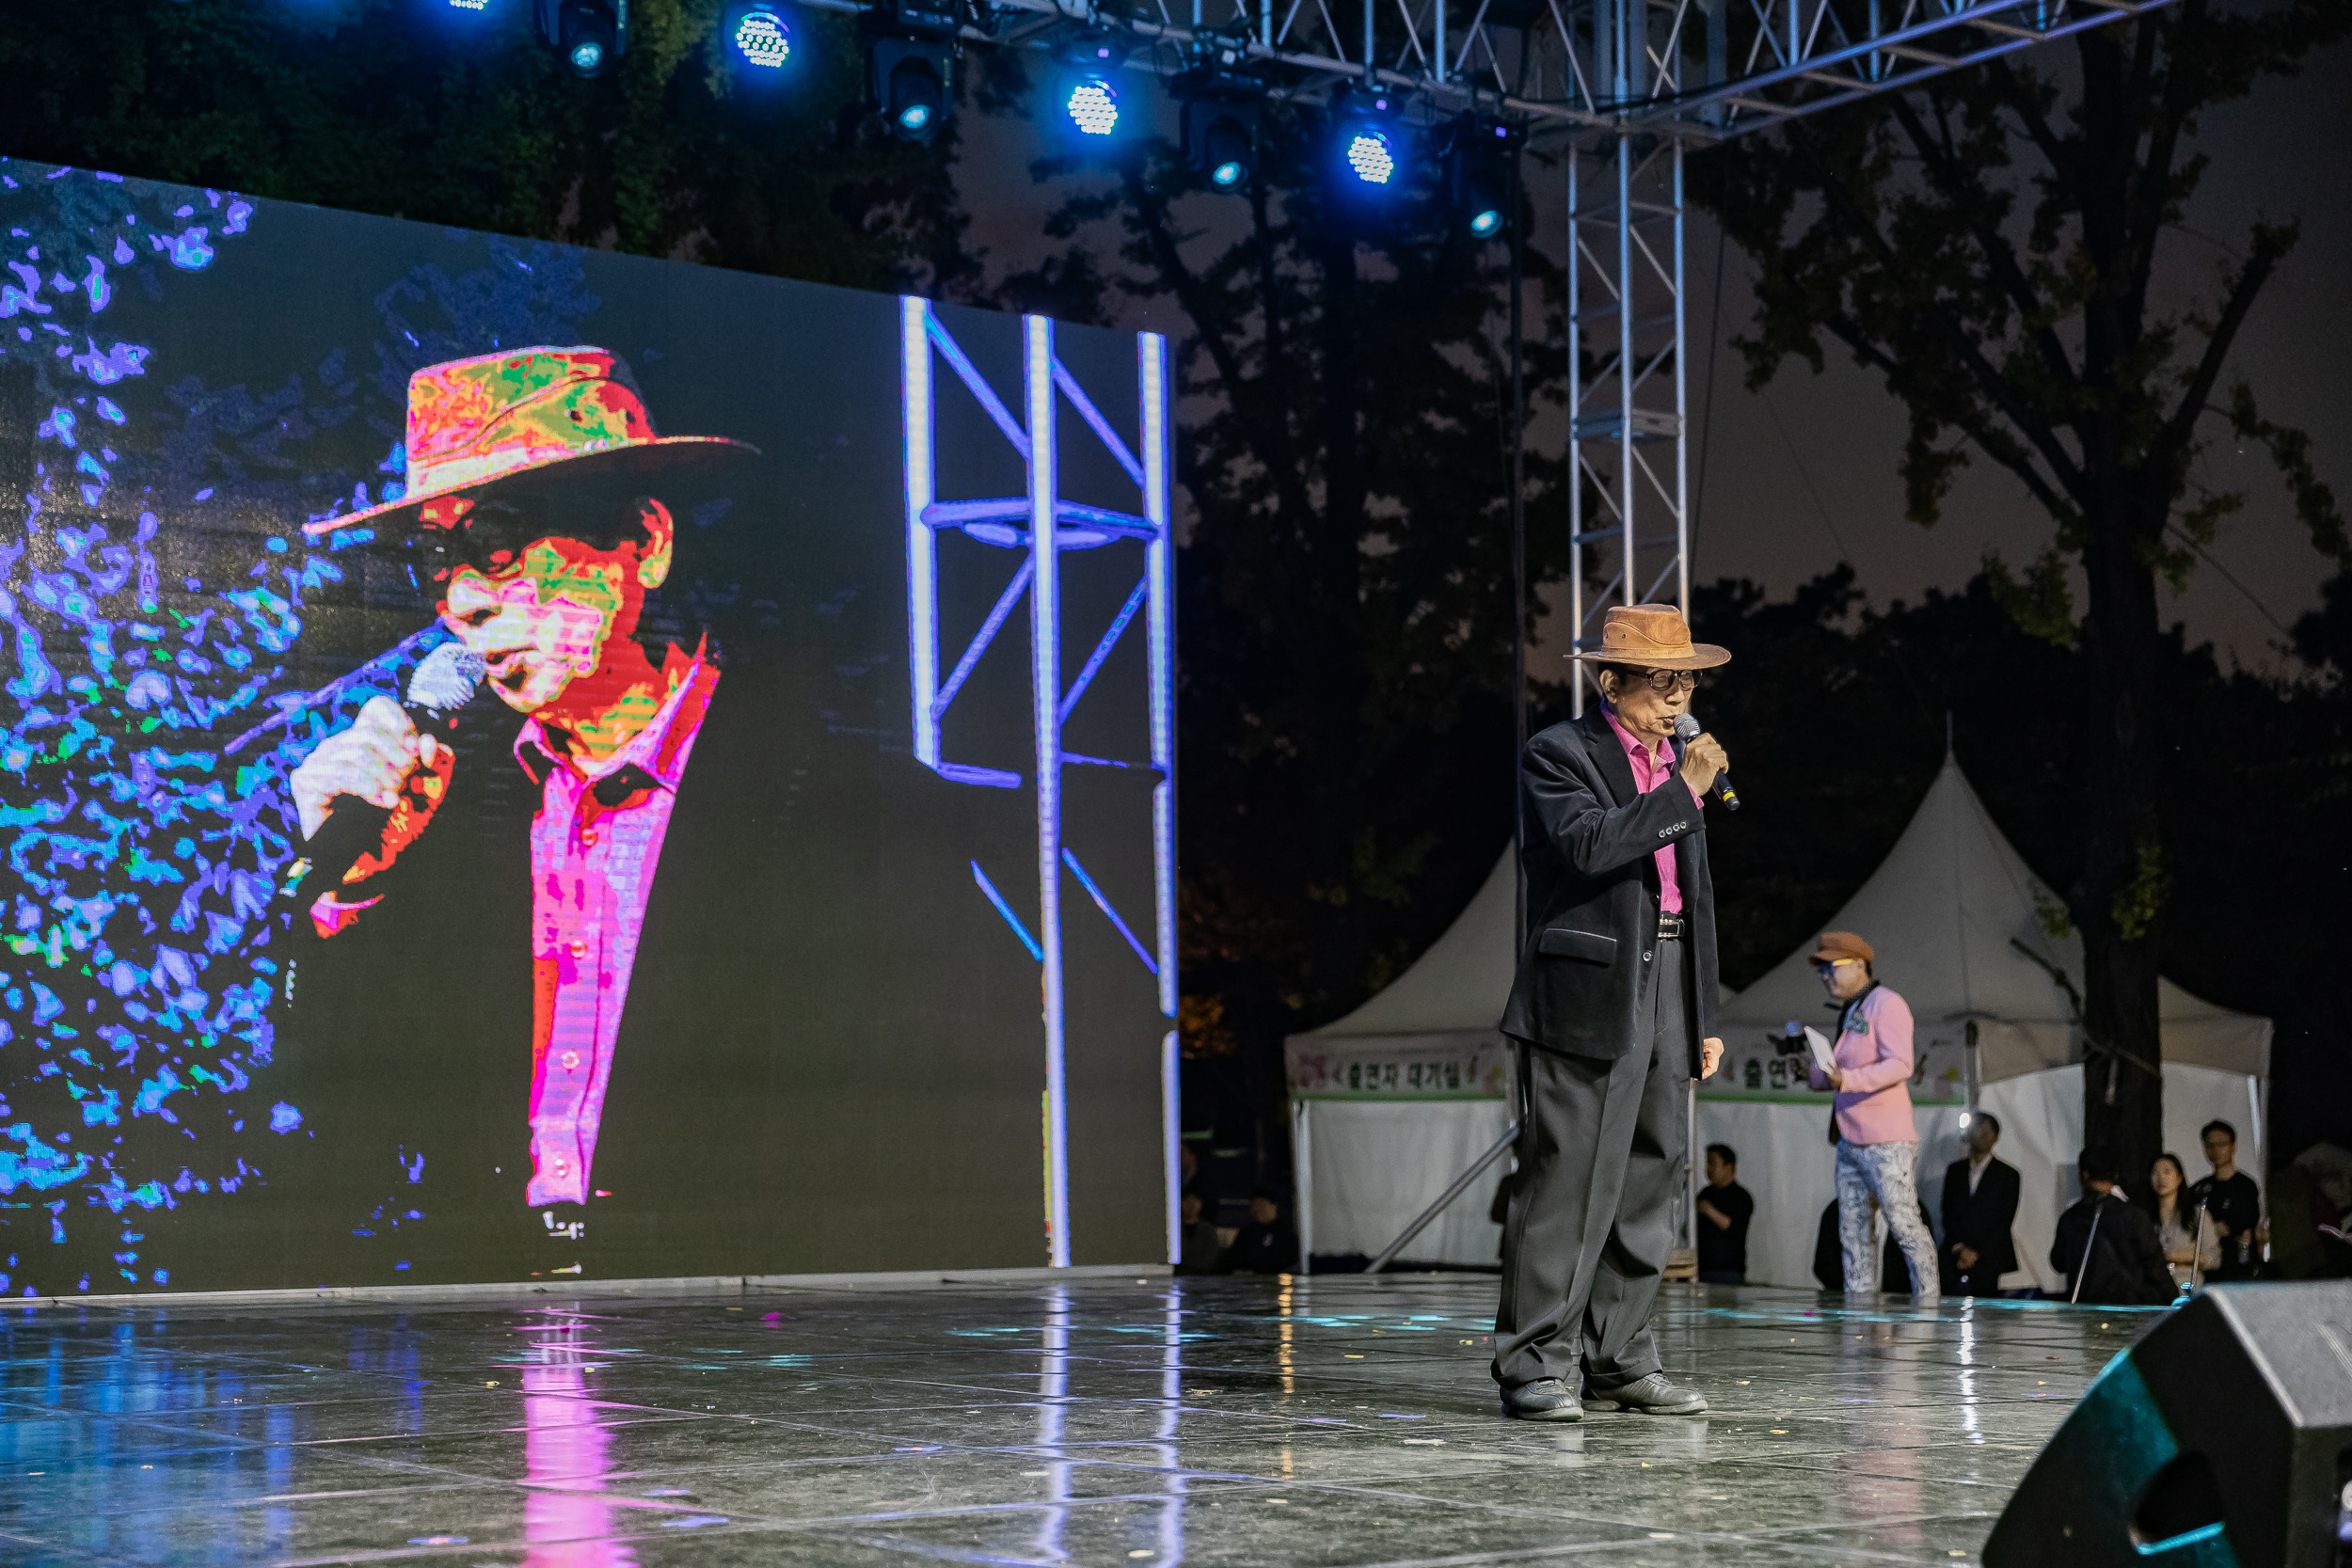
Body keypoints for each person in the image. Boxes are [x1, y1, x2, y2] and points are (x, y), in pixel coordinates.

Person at [264, 345, 1004, 1285]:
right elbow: (345, 1109)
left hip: (744, 1335)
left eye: (499, 538)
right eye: (436, 559)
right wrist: (357, 888)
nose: (462, 601)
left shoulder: (846, 802)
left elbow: (935, 1132)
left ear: (645, 541)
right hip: (493, 1326)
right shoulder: (452, 805)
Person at [1492, 603, 1730, 1422]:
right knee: (1570, 1178)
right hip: (1588, 987)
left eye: (1687, 678)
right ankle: (1533, 1362)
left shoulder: (1675, 768)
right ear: (1611, 679)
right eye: (1664, 678)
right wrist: (1682, 790)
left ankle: (1620, 1356)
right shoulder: (1558, 754)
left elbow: (1690, 895)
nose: (1679, 695)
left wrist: (1704, 1009)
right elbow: (1591, 845)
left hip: (1667, 975)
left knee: (1651, 1174)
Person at [1806, 932, 1939, 1306]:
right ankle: (1859, 1304)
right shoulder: (1851, 1009)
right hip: (1851, 1138)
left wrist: (1846, 1079)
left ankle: (1929, 1300)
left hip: (1887, 1139)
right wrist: (1816, 1073)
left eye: (1833, 966)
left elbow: (1901, 1063)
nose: (1826, 976)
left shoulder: (1887, 1003)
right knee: (1852, 1229)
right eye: (1823, 970)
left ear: (1860, 964)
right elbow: (1838, 1072)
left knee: (1903, 1221)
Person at [2053, 1149, 2176, 1306]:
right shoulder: (2134, 1216)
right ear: (2116, 1175)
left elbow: (2058, 1262)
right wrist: (2174, 1300)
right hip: (2129, 1306)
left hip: (2085, 1307)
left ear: (2084, 1174)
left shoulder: (2070, 1217)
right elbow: (2156, 1266)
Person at [1939, 1114, 2021, 1296]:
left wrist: (1976, 1253)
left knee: (1986, 1316)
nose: (1981, 1135)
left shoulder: (2008, 1175)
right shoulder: (1955, 1171)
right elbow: (1947, 1212)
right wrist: (1960, 1247)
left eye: (1987, 1131)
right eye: (1977, 1129)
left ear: (1996, 1138)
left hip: (1989, 1258)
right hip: (1955, 1255)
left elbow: (2004, 1220)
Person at [2189, 1120, 2265, 1281]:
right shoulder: (2199, 1188)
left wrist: (2219, 1228)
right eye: (2210, 1145)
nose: (2215, 1150)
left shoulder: (2245, 1185)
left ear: (2233, 1147)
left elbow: (2245, 1221)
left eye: (2221, 1144)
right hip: (2209, 1264)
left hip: (2239, 1261)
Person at [2146, 1152, 2219, 1289]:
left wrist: (2179, 1257)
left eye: (2167, 1172)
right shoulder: (2145, 1216)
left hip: (2188, 1284)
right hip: (2154, 1287)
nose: (2161, 1178)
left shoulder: (2197, 1213)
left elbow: (2214, 1259)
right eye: (2155, 1173)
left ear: (2179, 1177)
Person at [1695, 1144, 1754, 1286]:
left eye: (1712, 1163)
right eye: (1707, 1163)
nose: (1708, 1169)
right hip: (1702, 1270)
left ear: (1729, 1167)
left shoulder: (1741, 1196)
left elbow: (1735, 1228)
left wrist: (1709, 1211)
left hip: (1729, 1272)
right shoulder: (1705, 1194)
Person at [1221, 1192, 1299, 1275]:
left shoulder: (1285, 1233)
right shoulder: (1247, 1232)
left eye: (1262, 1204)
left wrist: (1257, 1272)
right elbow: (1234, 1256)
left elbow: (1284, 1260)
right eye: (1254, 1205)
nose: (1258, 1209)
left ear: (1274, 1206)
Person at [1175, 1192, 1226, 1275]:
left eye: (1195, 1201)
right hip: (1178, 1275)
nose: (1191, 1206)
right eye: (1187, 1201)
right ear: (1181, 1203)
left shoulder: (1208, 1229)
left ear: (1200, 1204)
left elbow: (1210, 1257)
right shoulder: (1173, 1229)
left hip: (1203, 1276)